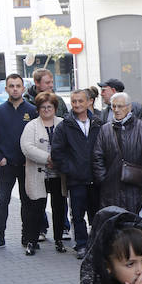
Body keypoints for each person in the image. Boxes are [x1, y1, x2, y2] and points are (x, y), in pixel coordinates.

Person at [0, 74, 37, 251]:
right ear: (6, 89)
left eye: (18, 86)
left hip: (26, 166)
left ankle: (27, 237)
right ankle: (0, 237)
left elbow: (37, 137)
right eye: (11, 86)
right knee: (2, 201)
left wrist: (30, 158)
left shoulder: (32, 111)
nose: (15, 88)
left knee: (27, 202)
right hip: (6, 165)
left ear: (23, 88)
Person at [51, 89, 103, 258]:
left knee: (97, 214)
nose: (77, 105)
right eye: (74, 102)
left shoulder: (98, 123)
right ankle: (81, 244)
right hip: (76, 180)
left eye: (81, 101)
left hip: (96, 179)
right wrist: (70, 169)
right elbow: (57, 153)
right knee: (78, 214)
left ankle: (97, 244)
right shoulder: (65, 125)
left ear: (89, 102)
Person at [92, 93, 142, 215]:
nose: (116, 110)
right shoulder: (105, 129)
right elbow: (97, 156)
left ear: (129, 107)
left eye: (120, 106)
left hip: (136, 185)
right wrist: (103, 179)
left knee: (135, 222)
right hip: (111, 187)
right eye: (114, 106)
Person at [20, 91, 65, 255]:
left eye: (50, 107)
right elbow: (27, 147)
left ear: (55, 108)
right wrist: (48, 158)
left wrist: (59, 160)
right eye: (43, 107)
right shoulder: (31, 126)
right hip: (38, 174)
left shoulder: (62, 123)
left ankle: (59, 240)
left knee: (59, 208)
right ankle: (31, 242)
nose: (46, 110)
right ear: (38, 109)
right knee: (36, 209)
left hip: (58, 175)